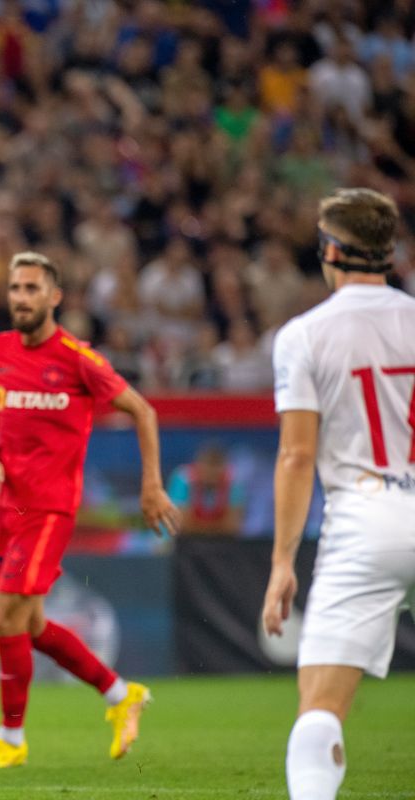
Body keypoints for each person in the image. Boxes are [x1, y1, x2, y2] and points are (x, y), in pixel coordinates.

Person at [0, 251, 180, 769]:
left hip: (51, 510)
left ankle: (10, 740)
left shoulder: (79, 359)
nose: (21, 297)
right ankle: (120, 694)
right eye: (15, 288)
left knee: (4, 617)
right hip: (8, 508)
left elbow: (144, 412)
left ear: (54, 297)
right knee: (31, 625)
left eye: (32, 288)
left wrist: (151, 486)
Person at [262, 188, 415, 800]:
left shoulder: (305, 335)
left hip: (366, 522)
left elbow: (297, 455)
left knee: (320, 708)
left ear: (329, 249)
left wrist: (281, 563)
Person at [167, 442, 247, 536]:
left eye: (216, 466)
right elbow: (180, 525)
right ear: (198, 464)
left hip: (222, 543)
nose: (211, 473)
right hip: (181, 541)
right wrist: (218, 526)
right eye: (208, 466)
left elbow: (233, 527)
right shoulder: (183, 478)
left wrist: (196, 525)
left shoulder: (234, 481)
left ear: (224, 468)